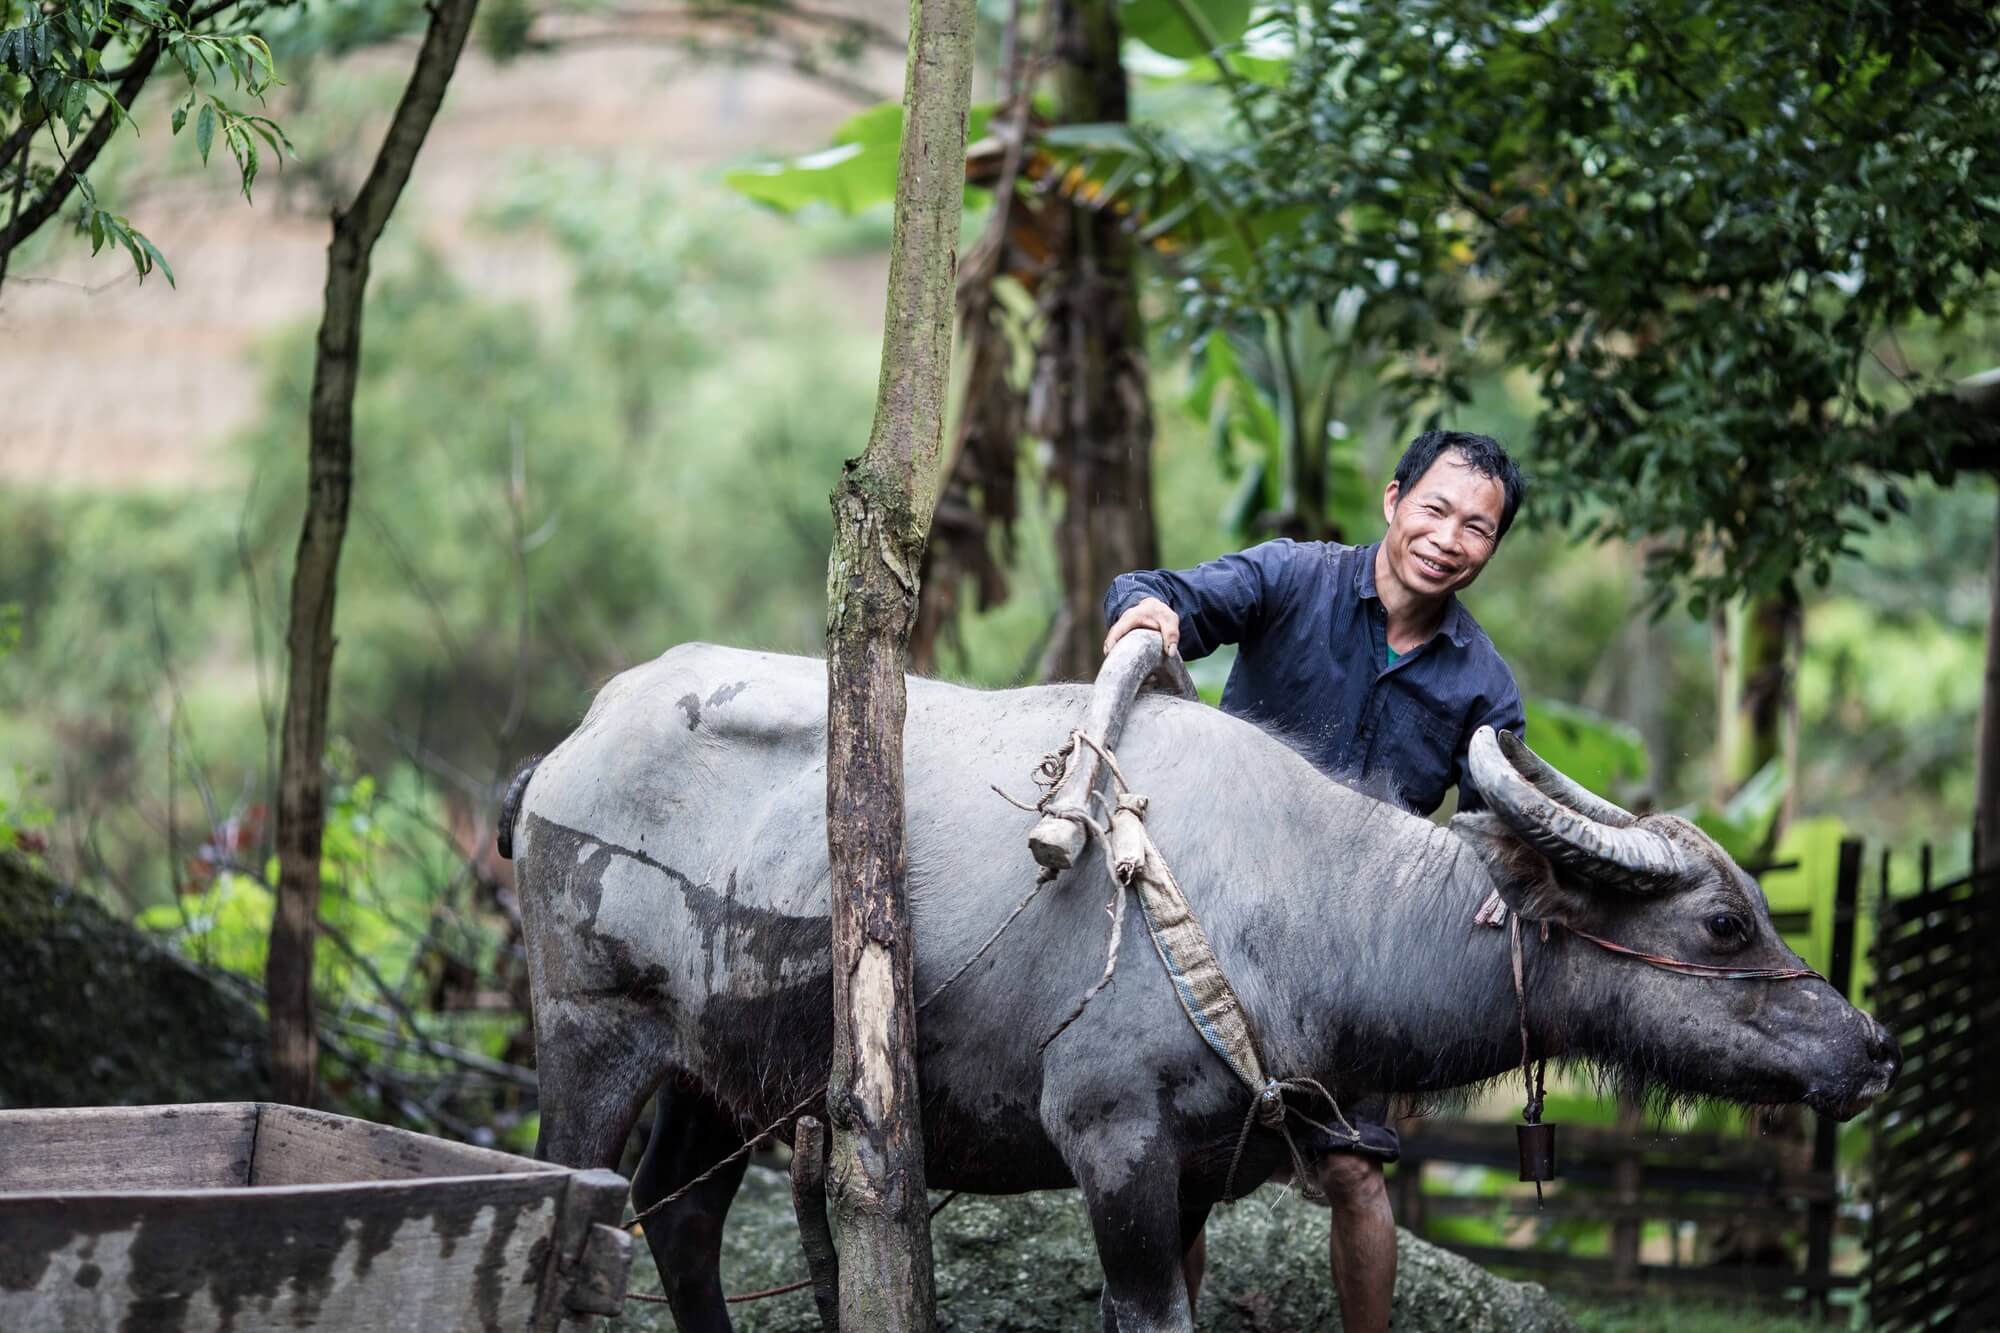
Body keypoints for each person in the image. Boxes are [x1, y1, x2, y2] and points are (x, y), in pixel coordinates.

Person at [1100, 430, 1527, 1333]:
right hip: (1216, 923)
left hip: (1356, 962)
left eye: (1478, 528)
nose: (1450, 538)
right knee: (1181, 1168)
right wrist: (1145, 615)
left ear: (1493, 546)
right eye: (1436, 509)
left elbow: (1504, 823)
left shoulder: (1484, 687)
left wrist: (1506, 876)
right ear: (1392, 499)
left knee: (1354, 1171)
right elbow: (1159, 593)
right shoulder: (1294, 577)